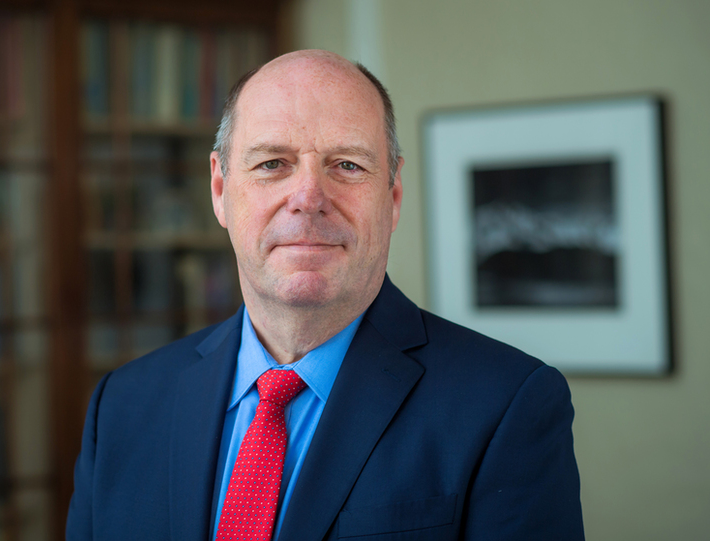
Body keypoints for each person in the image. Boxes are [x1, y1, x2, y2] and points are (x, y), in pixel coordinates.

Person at [66, 50, 585, 540]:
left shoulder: (507, 405)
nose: (309, 198)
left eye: (348, 165)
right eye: (272, 163)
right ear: (221, 190)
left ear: (393, 196)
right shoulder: (122, 406)